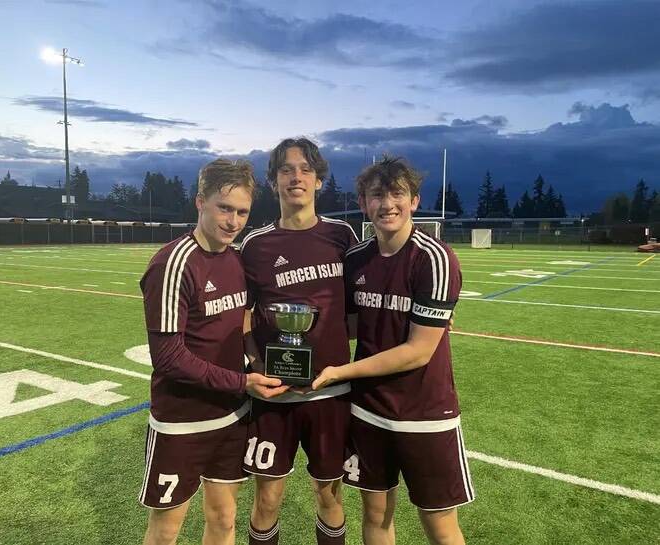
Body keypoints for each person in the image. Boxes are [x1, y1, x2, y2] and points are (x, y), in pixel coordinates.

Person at [313, 156, 474, 545]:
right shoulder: (356, 259)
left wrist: (339, 373)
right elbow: (350, 327)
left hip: (424, 412)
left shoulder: (434, 259)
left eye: (397, 193)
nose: (387, 204)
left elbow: (418, 352)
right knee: (376, 515)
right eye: (377, 195)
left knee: (439, 524)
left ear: (415, 201)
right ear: (365, 204)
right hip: (369, 411)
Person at [139, 158, 288, 545]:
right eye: (225, 208)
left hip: (232, 415)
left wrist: (256, 361)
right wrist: (242, 381)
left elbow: (247, 320)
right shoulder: (172, 264)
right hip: (182, 421)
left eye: (242, 212)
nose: (234, 221)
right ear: (200, 202)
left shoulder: (236, 260)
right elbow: (169, 358)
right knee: (166, 529)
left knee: (224, 519)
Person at [240, 138, 358, 545]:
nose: (296, 177)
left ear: (319, 180)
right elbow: (242, 312)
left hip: (332, 392)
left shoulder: (343, 236)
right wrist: (256, 364)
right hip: (274, 396)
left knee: (329, 495)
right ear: (273, 181)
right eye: (286, 170)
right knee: (268, 499)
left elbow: (364, 301)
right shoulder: (255, 245)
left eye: (306, 169)